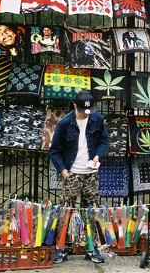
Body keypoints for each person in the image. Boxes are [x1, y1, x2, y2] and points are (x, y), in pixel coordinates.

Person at [49, 90, 109, 264]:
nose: (86, 115)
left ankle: (91, 248)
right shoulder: (65, 123)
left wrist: (97, 156)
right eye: (83, 111)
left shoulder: (97, 119)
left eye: (90, 111)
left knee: (91, 212)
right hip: (72, 173)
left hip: (91, 174)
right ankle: (61, 248)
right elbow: (54, 151)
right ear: (75, 106)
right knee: (65, 211)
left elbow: (103, 141)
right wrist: (63, 172)